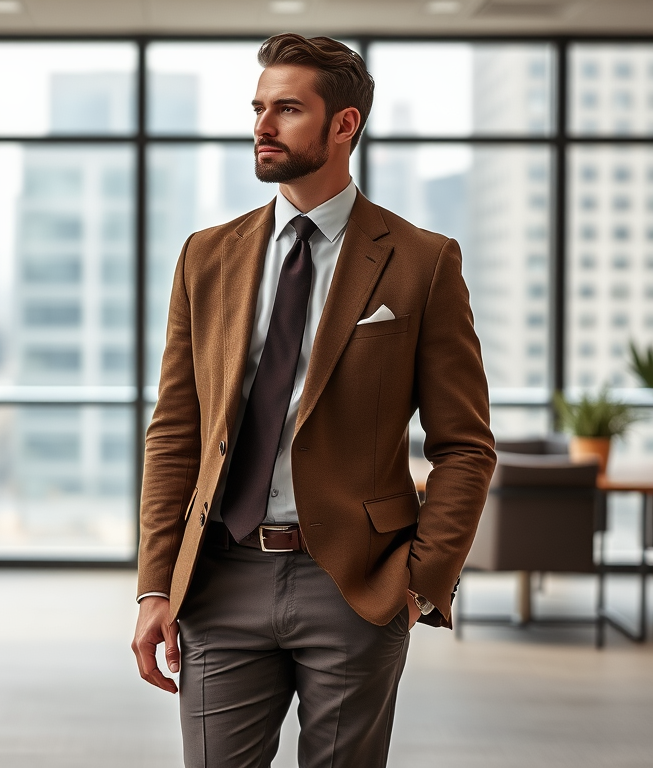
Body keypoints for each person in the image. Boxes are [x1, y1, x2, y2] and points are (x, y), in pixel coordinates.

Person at [130, 33, 496, 768]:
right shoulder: (208, 256)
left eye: (287, 109)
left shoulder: (422, 262)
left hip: (355, 584)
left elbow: (465, 444)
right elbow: (176, 430)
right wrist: (155, 587)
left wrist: (420, 582)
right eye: (259, 107)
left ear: (343, 125)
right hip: (221, 578)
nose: (262, 126)